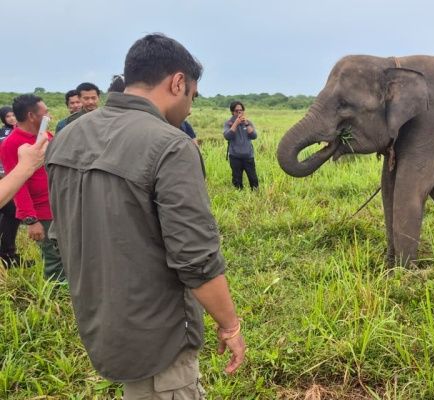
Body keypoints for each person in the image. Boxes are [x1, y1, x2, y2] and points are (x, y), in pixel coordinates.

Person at [47, 33, 245, 398]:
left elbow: (63, 233)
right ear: (178, 82)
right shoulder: (171, 145)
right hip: (160, 337)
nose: (189, 109)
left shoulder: (67, 137)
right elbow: (196, 259)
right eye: (192, 96)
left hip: (101, 324)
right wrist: (230, 325)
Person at [0, 94, 63, 280]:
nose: (49, 116)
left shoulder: (45, 136)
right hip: (41, 211)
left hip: (58, 204)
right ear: (31, 116)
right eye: (45, 113)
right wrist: (31, 220)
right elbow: (18, 186)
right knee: (52, 256)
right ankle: (56, 289)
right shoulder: (11, 143)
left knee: (64, 250)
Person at [0, 106, 23, 267]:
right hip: (6, 177)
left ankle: (7, 254)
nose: (12, 118)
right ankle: (7, 255)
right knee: (12, 212)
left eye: (13, 115)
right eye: (8, 116)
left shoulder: (18, 131)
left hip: (11, 176)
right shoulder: (5, 134)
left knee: (12, 213)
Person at [223, 101, 258, 189]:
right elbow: (227, 136)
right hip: (235, 157)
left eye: (241, 110)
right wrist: (236, 123)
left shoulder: (248, 122)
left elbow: (254, 136)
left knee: (253, 179)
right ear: (232, 112)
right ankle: (239, 195)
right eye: (236, 111)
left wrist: (246, 124)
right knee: (237, 181)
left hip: (248, 156)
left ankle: (255, 195)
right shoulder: (228, 123)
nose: (239, 112)